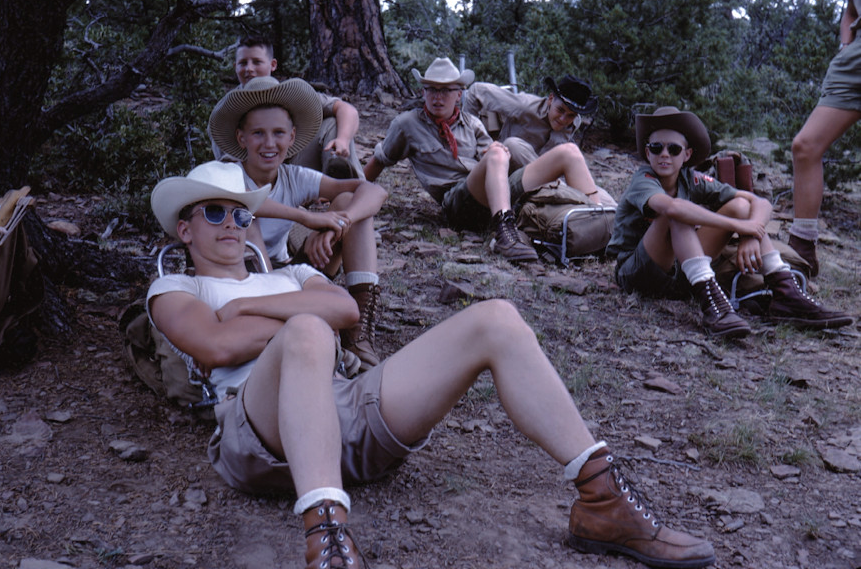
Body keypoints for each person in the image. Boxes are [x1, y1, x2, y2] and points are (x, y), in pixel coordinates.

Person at [146, 160, 718, 569]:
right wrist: (297, 320)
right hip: (258, 433)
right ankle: (327, 539)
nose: (230, 223)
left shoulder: (284, 274)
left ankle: (603, 501)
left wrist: (246, 307)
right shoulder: (175, 285)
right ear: (184, 227)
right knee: (305, 331)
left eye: (241, 214)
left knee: (494, 316)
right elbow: (215, 349)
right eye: (213, 212)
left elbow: (345, 307)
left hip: (343, 412)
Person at [606, 107, 852, 338]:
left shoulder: (691, 178)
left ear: (687, 154)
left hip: (680, 274)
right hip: (638, 272)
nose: (664, 155)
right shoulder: (644, 179)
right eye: (656, 147)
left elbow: (759, 202)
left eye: (673, 149)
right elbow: (672, 208)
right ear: (647, 152)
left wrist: (749, 234)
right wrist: (739, 227)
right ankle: (714, 305)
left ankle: (786, 293)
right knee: (677, 214)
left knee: (740, 206)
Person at [208, 75, 387, 372]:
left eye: (279, 133)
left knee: (347, 204)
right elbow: (246, 203)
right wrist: (307, 217)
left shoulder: (292, 176)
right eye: (258, 134)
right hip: (239, 279)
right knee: (248, 221)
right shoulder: (228, 173)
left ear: (291, 138)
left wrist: (337, 225)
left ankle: (357, 335)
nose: (269, 143)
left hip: (283, 272)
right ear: (242, 138)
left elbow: (374, 191)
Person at [363, 57, 608, 264]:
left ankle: (602, 222)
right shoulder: (407, 124)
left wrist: (496, 156)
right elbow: (380, 159)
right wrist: (354, 192)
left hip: (490, 197)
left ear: (458, 94)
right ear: (423, 92)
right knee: (501, 151)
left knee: (569, 152)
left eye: (447, 90)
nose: (439, 97)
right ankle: (506, 234)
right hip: (457, 203)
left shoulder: (472, 124)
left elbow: (489, 155)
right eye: (432, 89)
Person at [789, 0, 861, 277]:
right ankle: (802, 250)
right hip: (855, 60)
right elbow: (851, 9)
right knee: (804, 146)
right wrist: (846, 46)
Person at [215, 34, 364, 179]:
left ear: (273, 65)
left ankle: (342, 178)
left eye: (256, 62)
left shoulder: (290, 94)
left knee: (334, 123)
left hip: (296, 163)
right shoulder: (226, 111)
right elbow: (228, 160)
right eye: (243, 63)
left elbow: (346, 109)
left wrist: (342, 140)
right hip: (259, 172)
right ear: (235, 67)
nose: (249, 68)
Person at [463, 76, 610, 197]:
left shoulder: (574, 123)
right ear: (550, 99)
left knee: (602, 196)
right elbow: (477, 91)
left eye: (570, 115)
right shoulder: (524, 106)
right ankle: (564, 194)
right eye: (560, 110)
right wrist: (474, 148)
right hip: (509, 178)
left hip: (544, 182)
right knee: (513, 145)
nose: (563, 119)